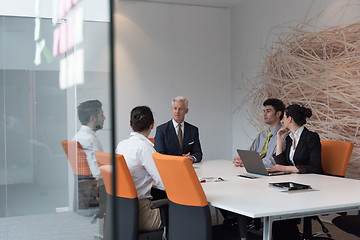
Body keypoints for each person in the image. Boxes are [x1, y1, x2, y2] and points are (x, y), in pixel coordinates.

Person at [269, 104, 322, 240]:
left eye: (284, 117)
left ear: (290, 119)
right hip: (295, 183)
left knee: (281, 214)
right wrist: (280, 139)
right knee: (276, 211)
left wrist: (285, 169)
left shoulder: (311, 137)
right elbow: (281, 163)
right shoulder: (289, 137)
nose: (283, 121)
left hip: (311, 186)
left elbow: (315, 167)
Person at [116, 106, 165, 232]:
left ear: (130, 125)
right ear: (152, 125)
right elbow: (163, 182)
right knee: (192, 214)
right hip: (142, 215)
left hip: (122, 212)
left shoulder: (121, 145)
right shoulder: (145, 148)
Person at [72, 99, 106, 239]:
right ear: (93, 118)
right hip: (94, 190)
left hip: (84, 190)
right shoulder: (91, 139)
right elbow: (99, 173)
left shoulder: (77, 137)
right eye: (101, 114)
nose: (104, 118)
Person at [233, 98, 285, 169]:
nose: (264, 114)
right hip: (256, 170)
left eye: (268, 111)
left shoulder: (284, 135)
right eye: (264, 111)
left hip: (272, 173)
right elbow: (250, 152)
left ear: (278, 114)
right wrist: (241, 159)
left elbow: (274, 161)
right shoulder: (262, 135)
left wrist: (250, 162)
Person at [154, 96, 202, 163]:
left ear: (186, 111)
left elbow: (198, 153)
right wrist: (179, 160)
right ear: (172, 109)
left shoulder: (193, 130)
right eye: (175, 108)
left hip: (188, 168)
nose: (177, 111)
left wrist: (192, 158)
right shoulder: (161, 130)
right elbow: (160, 154)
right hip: (169, 168)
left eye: (180, 109)